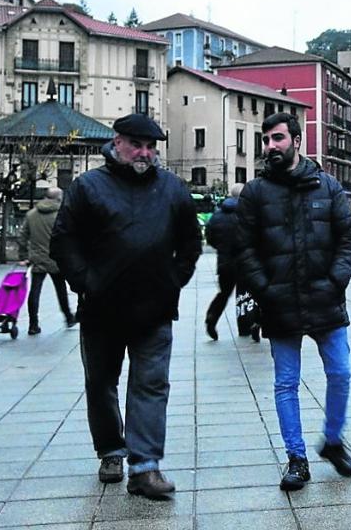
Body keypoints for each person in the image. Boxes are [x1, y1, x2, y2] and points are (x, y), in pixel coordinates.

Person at [50, 113, 202, 499]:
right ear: (116, 142)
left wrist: (172, 281)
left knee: (151, 384)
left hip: (155, 308)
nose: (145, 153)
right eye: (137, 145)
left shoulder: (172, 189)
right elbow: (64, 242)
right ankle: (111, 450)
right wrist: (86, 282)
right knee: (101, 383)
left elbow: (190, 243)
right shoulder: (87, 187)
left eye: (151, 147)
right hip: (102, 309)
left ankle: (145, 468)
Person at [236, 112, 351, 492]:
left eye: (277, 139)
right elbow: (244, 249)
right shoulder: (256, 193)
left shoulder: (329, 187)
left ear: (296, 140)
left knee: (340, 372)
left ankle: (333, 441)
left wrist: (335, 280)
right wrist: (265, 289)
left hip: (326, 300)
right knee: (285, 383)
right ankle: (296, 458)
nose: (270, 146)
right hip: (280, 302)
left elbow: (347, 241)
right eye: (266, 140)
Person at [20, 187, 76, 334]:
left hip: (37, 259)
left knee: (35, 291)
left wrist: (23, 256)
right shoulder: (61, 215)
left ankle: (33, 324)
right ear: (58, 198)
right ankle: (69, 317)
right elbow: (69, 236)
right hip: (56, 259)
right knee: (61, 289)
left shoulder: (31, 214)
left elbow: (22, 236)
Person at [203, 183, 254, 341]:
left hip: (225, 263)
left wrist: (222, 249)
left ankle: (212, 317)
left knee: (224, 293)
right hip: (245, 261)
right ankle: (247, 325)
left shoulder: (218, 215)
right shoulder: (248, 214)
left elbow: (210, 238)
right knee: (246, 294)